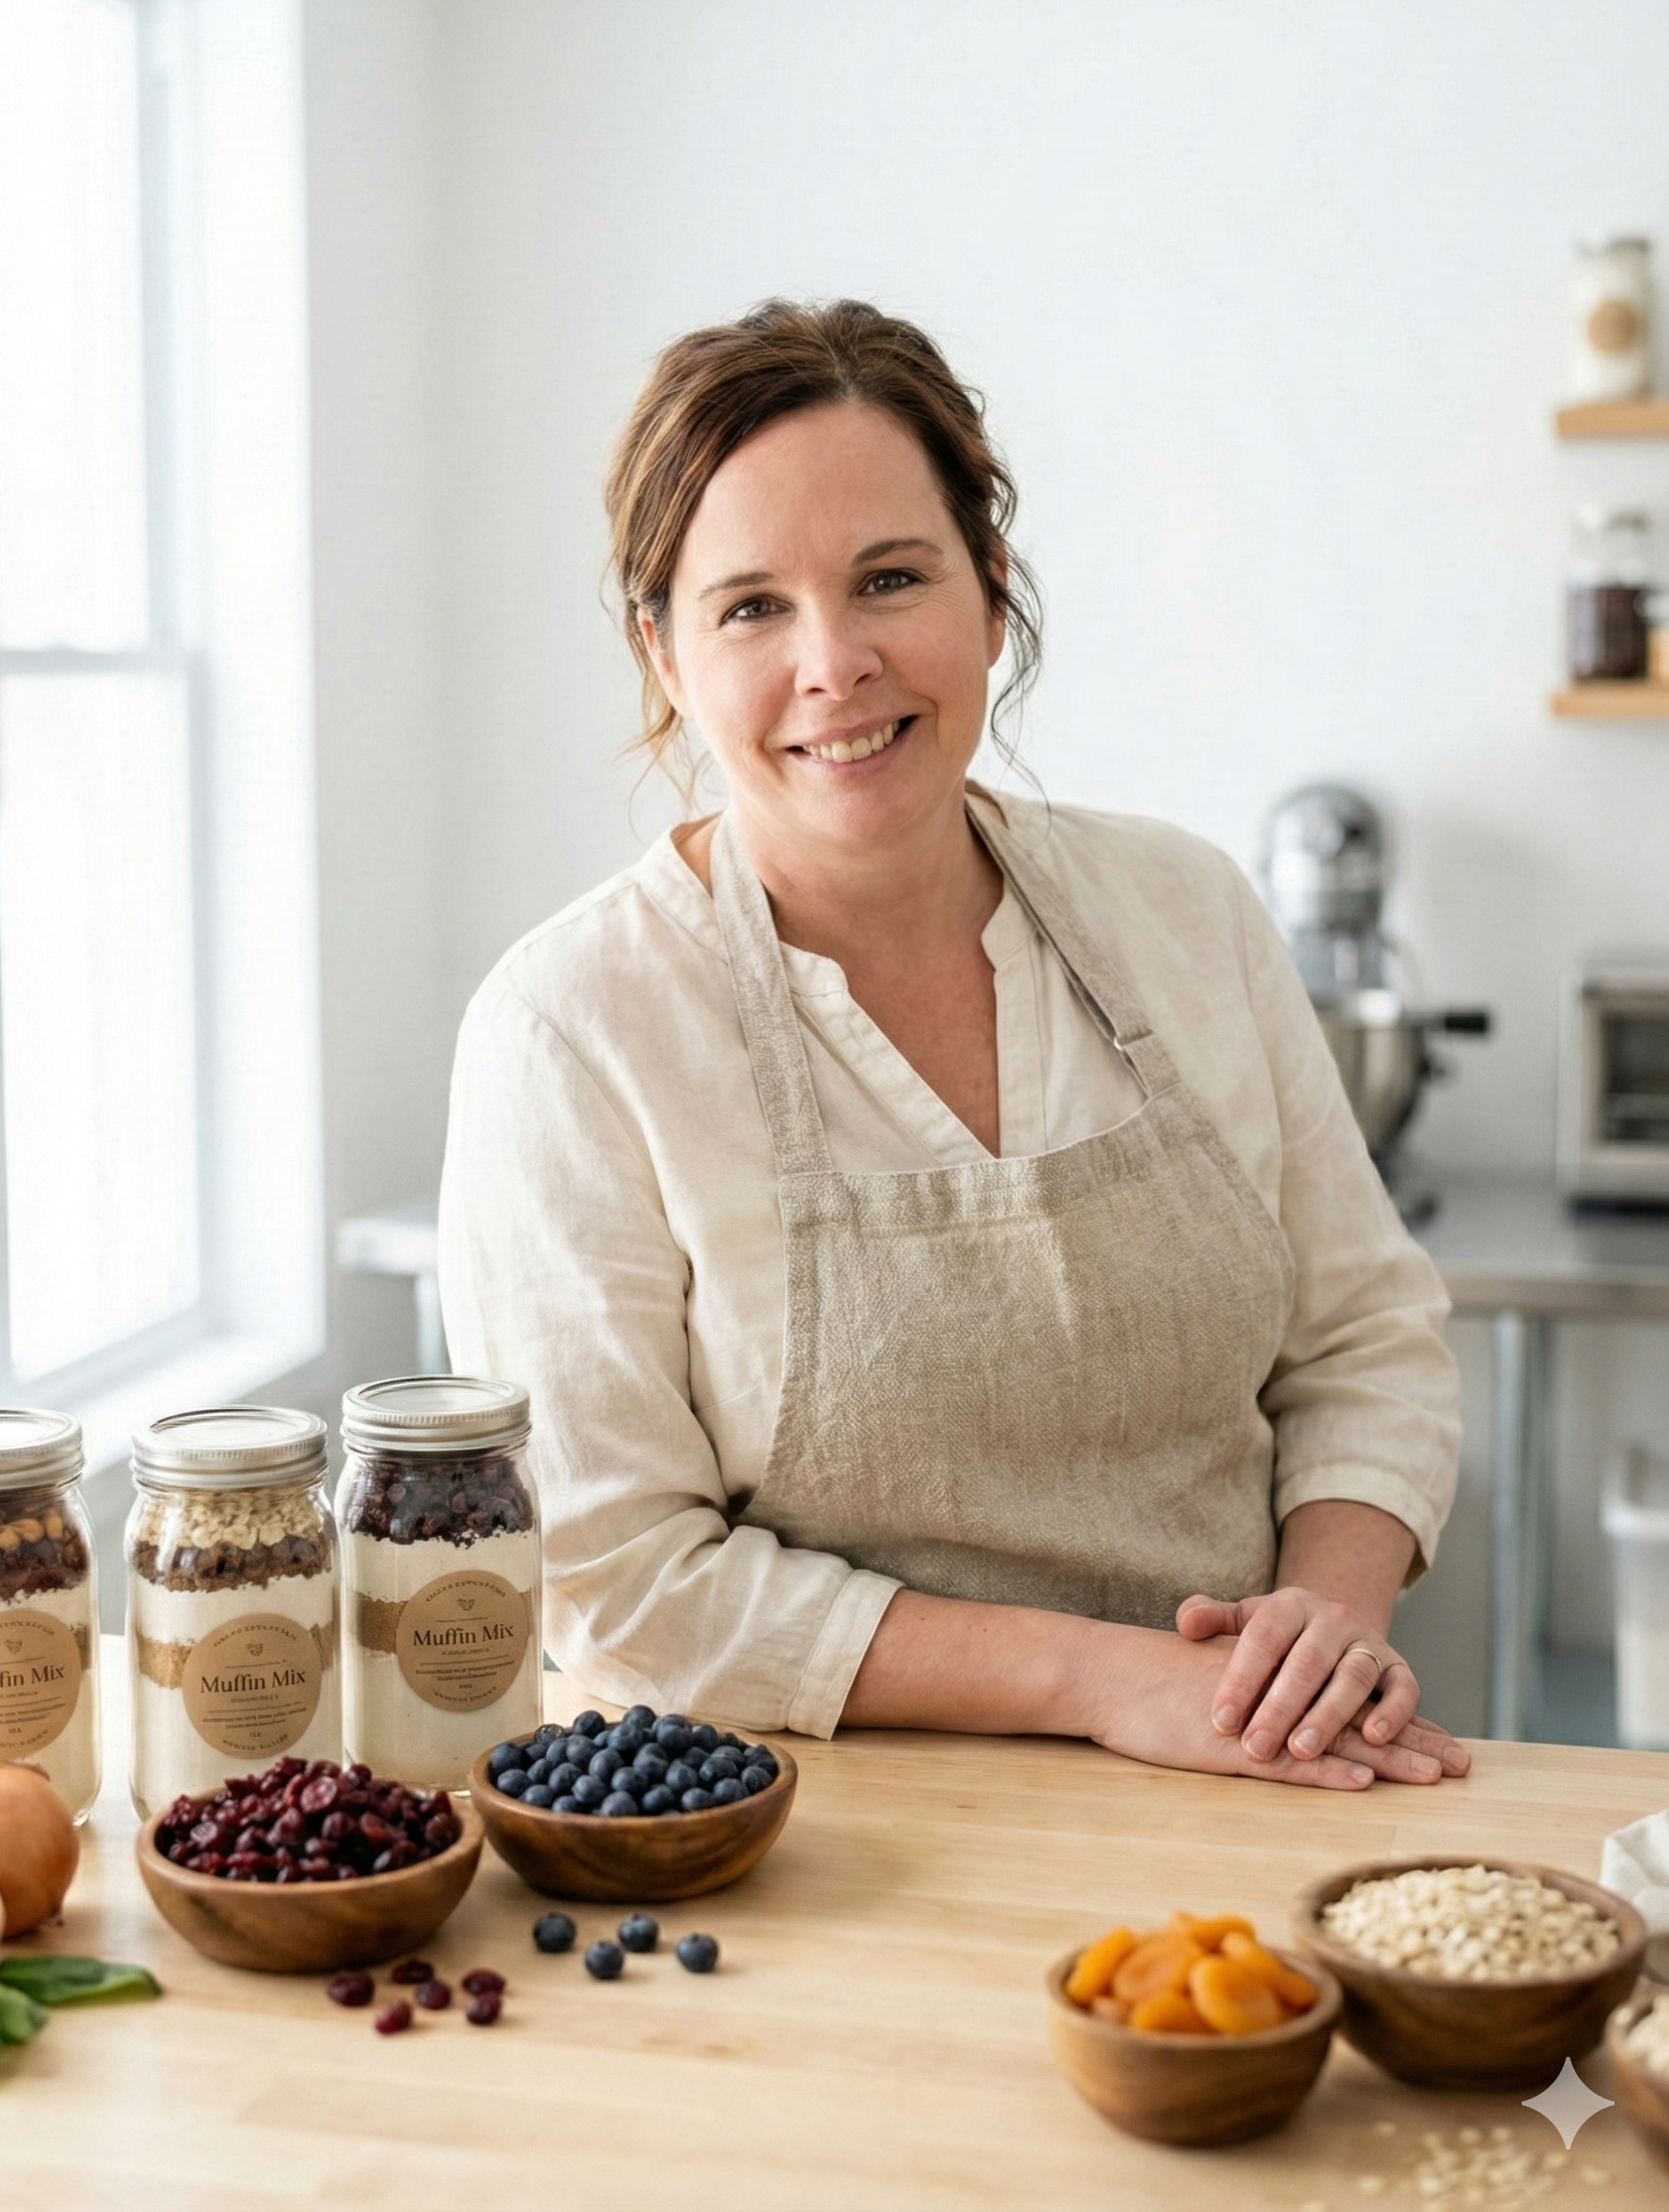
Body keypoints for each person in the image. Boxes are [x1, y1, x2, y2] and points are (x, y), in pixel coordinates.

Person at [439, 299, 1468, 1793]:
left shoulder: (1186, 910)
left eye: (891, 578)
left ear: (992, 593)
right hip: (801, 1851)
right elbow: (619, 1580)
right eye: (751, 608)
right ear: (660, 651)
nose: (835, 662)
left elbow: (1367, 1341)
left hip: (1256, 1777)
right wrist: (1110, 1682)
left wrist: (1322, 1624)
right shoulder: (571, 1030)